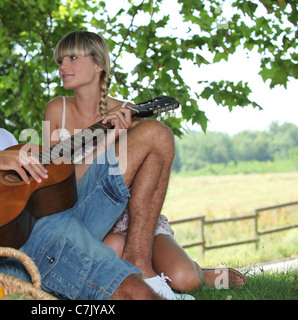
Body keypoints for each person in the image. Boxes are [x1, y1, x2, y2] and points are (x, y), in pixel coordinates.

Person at [0, 27, 161, 300]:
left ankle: (139, 260)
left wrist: (109, 137)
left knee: (155, 135)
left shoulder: (2, 138)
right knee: (133, 293)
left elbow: (56, 188)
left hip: (63, 214)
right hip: (22, 239)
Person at [43, 30, 246, 297]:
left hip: (133, 218)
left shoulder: (128, 113)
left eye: (71, 58)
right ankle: (145, 265)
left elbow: (144, 185)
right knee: (114, 249)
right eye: (59, 61)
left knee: (186, 280)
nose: (62, 67)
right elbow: (56, 180)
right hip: (87, 216)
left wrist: (122, 132)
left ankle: (203, 273)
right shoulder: (57, 109)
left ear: (98, 66)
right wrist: (109, 139)